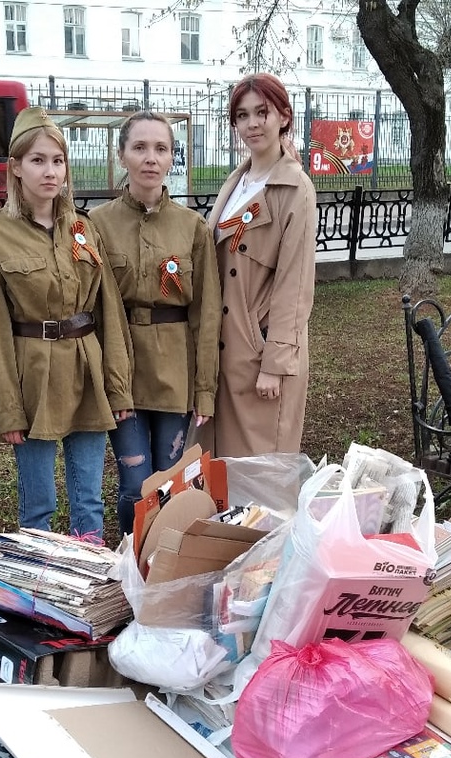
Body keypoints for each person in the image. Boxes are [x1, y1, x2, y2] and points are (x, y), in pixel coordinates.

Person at [0, 107, 133, 541]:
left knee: (89, 500)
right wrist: (6, 408)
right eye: (37, 160)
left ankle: (88, 570)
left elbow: (108, 311)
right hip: (32, 374)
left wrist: (117, 386)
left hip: (85, 368)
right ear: (16, 167)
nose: (50, 171)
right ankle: (36, 571)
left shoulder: (84, 228)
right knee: (38, 503)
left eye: (57, 160)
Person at [89, 111, 221, 536]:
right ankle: (131, 554)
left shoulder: (192, 227)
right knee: (134, 483)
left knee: (168, 479)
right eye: (140, 147)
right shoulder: (96, 224)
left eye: (161, 148)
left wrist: (204, 389)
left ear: (171, 157)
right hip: (121, 366)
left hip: (174, 371)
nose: (150, 158)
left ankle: (161, 557)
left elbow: (206, 313)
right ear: (121, 155)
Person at [206, 73, 316, 457]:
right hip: (227, 348)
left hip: (261, 353)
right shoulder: (237, 182)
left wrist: (275, 363)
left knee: (262, 470)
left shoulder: (296, 189)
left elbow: (295, 283)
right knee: (225, 467)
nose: (252, 124)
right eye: (242, 115)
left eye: (261, 112)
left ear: (284, 116)